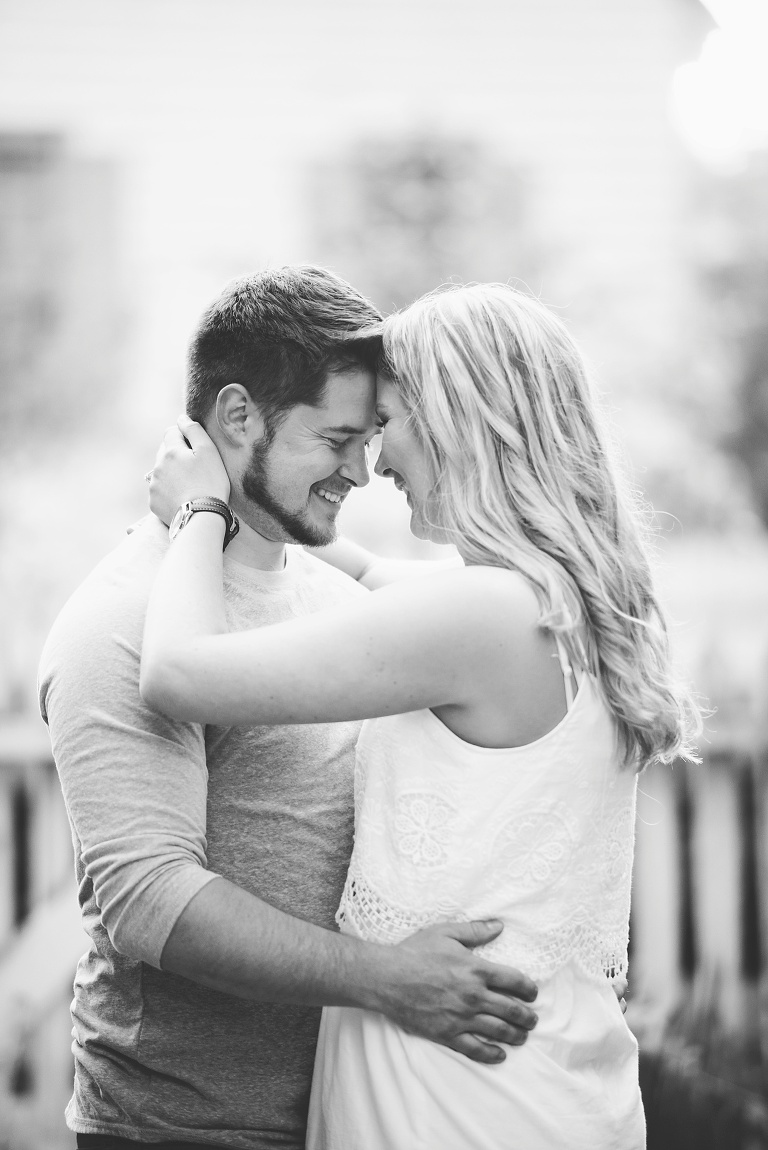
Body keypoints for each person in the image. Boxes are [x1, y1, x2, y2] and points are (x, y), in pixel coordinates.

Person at [141, 282, 701, 1150]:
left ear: (455, 423)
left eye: (386, 423)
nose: (373, 461)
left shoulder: (477, 616)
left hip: (447, 1091)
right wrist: (277, 493)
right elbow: (367, 575)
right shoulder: (563, 600)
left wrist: (201, 509)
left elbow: (176, 674)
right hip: (548, 1073)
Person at [38, 268, 540, 1150]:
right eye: (336, 439)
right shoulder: (119, 622)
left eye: (371, 437)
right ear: (238, 417)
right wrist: (386, 979)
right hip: (186, 1127)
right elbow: (150, 900)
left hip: (361, 1112)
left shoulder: (337, 596)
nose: (364, 471)